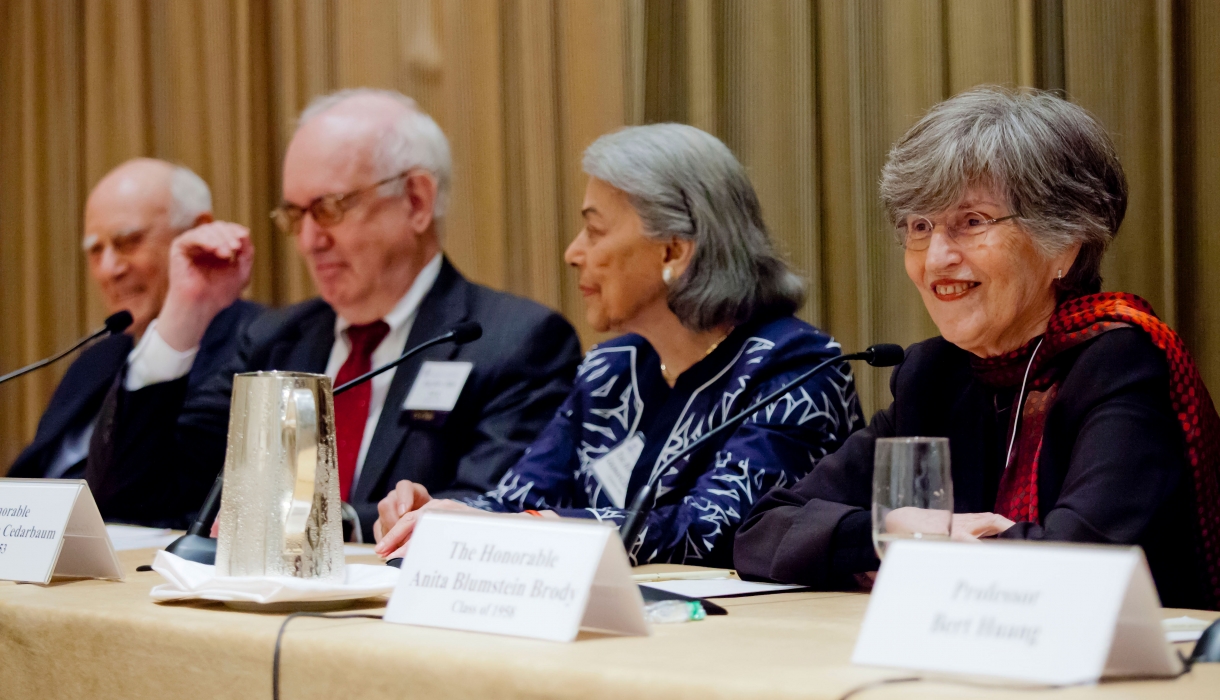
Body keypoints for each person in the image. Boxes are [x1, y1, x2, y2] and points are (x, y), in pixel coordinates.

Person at [734, 87, 1220, 611]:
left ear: (1065, 242)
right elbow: (764, 532)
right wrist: (896, 531)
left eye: (972, 222)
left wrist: (914, 551)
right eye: (921, 226)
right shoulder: (937, 374)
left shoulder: (1118, 361)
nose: (937, 257)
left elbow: (1079, 563)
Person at [86, 89, 582, 541]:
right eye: (297, 216)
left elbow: (488, 511)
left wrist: (329, 524)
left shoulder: (516, 342)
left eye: (331, 208)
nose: (309, 241)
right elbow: (134, 497)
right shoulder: (276, 339)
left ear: (415, 201)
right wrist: (184, 317)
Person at [371, 123, 863, 567]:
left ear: (673, 248)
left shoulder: (795, 368)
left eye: (594, 229)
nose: (573, 252)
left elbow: (716, 529)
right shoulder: (612, 368)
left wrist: (537, 527)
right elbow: (520, 496)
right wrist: (439, 515)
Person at [7, 159, 260, 526]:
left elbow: (145, 494)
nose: (110, 268)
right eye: (96, 250)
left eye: (128, 242)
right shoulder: (99, 357)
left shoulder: (257, 343)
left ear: (199, 232)